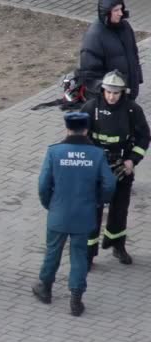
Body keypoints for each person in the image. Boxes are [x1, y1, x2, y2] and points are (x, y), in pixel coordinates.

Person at [33, 112, 116, 317]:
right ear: (86, 130)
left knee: (53, 251)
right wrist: (99, 201)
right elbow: (110, 183)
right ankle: (76, 300)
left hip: (58, 213)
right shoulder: (97, 154)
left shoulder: (55, 152)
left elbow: (43, 185)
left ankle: (45, 289)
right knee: (79, 255)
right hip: (84, 213)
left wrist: (49, 204)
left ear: (67, 129)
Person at [80, 70, 150, 266]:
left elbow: (144, 137)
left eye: (115, 93)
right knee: (92, 211)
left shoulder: (132, 110)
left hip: (121, 167)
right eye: (108, 92)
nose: (111, 96)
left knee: (120, 210)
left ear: (123, 93)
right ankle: (88, 253)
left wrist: (131, 161)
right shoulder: (91, 107)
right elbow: (80, 136)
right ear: (103, 90)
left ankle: (117, 245)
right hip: (96, 169)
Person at [79, 0, 143, 100]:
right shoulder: (94, 36)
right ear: (106, 12)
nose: (121, 13)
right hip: (111, 99)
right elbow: (90, 73)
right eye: (116, 10)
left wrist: (137, 78)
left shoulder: (125, 27)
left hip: (128, 93)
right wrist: (109, 93)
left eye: (121, 9)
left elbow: (134, 55)